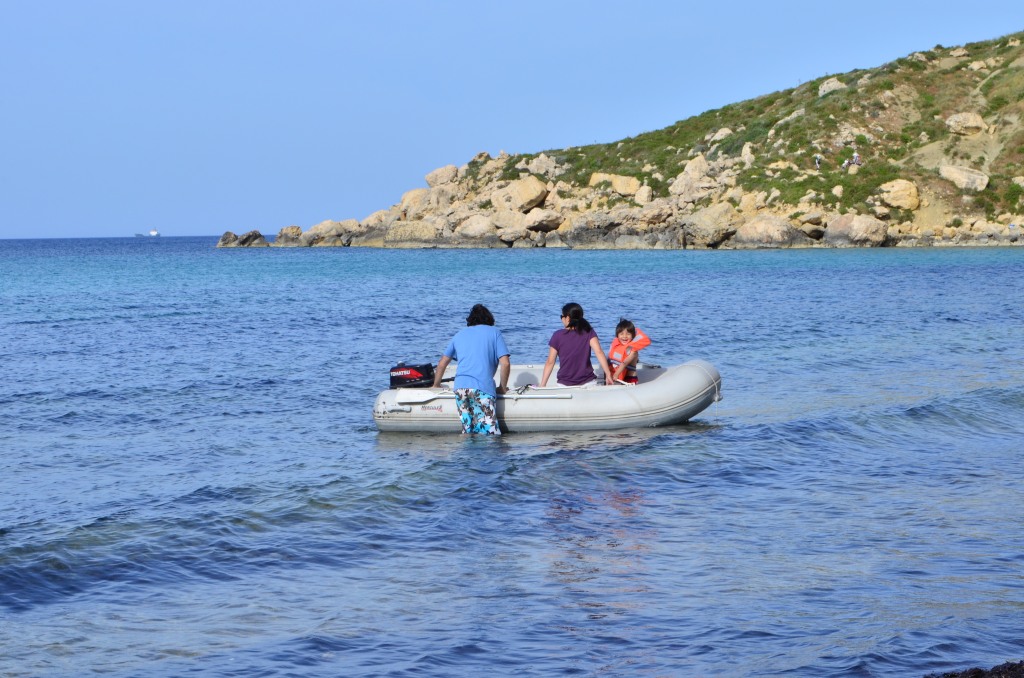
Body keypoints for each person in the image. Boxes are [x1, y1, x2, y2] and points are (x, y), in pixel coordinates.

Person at [432, 304, 510, 435]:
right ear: (489, 319)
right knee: (490, 433)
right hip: (482, 388)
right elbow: (505, 363)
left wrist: (436, 385)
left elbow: (442, 363)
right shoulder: (494, 332)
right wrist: (502, 388)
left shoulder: (459, 334)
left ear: (470, 320)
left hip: (460, 388)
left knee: (468, 431)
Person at [540, 302, 614, 387]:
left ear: (567, 318)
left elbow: (550, 362)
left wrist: (542, 385)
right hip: (588, 382)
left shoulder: (557, 335)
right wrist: (608, 374)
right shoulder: (589, 332)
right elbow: (599, 352)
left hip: (564, 384)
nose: (561, 319)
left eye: (562, 317)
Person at [607, 319, 651, 384]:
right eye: (621, 334)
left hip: (630, 378)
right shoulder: (616, 345)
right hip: (619, 375)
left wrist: (616, 374)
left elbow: (624, 363)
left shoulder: (633, 350)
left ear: (632, 335)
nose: (624, 336)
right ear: (617, 335)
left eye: (628, 334)